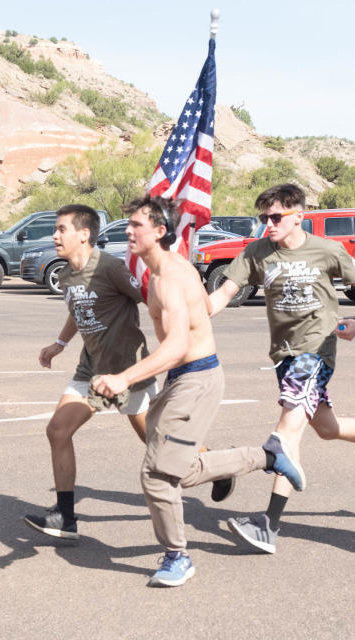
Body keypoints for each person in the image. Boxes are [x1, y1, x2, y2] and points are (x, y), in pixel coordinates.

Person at [91, 195, 303, 588]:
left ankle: (178, 557)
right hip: (185, 379)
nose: (128, 230)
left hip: (196, 378)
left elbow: (176, 346)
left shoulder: (170, 277)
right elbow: (204, 306)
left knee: (157, 475)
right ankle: (267, 456)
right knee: (179, 471)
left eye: (137, 224)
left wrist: (122, 378)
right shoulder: (169, 271)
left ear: (159, 231)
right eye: (129, 224)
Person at [207, 183, 355, 554]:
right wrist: (193, 316)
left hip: (316, 350)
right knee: (325, 427)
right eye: (264, 218)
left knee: (287, 432)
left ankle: (267, 524)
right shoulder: (257, 251)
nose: (268, 225)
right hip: (284, 354)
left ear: (298, 216)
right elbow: (226, 292)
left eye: (276, 217)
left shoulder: (325, 250)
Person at [22, 204, 159, 540]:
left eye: (61, 229)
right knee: (57, 431)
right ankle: (65, 518)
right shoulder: (68, 273)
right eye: (55, 230)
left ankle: (211, 466)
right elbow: (77, 310)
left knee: (158, 444)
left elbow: (150, 299)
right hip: (90, 368)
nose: (54, 236)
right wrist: (59, 343)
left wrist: (177, 345)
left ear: (83, 235)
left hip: (126, 368)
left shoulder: (110, 268)